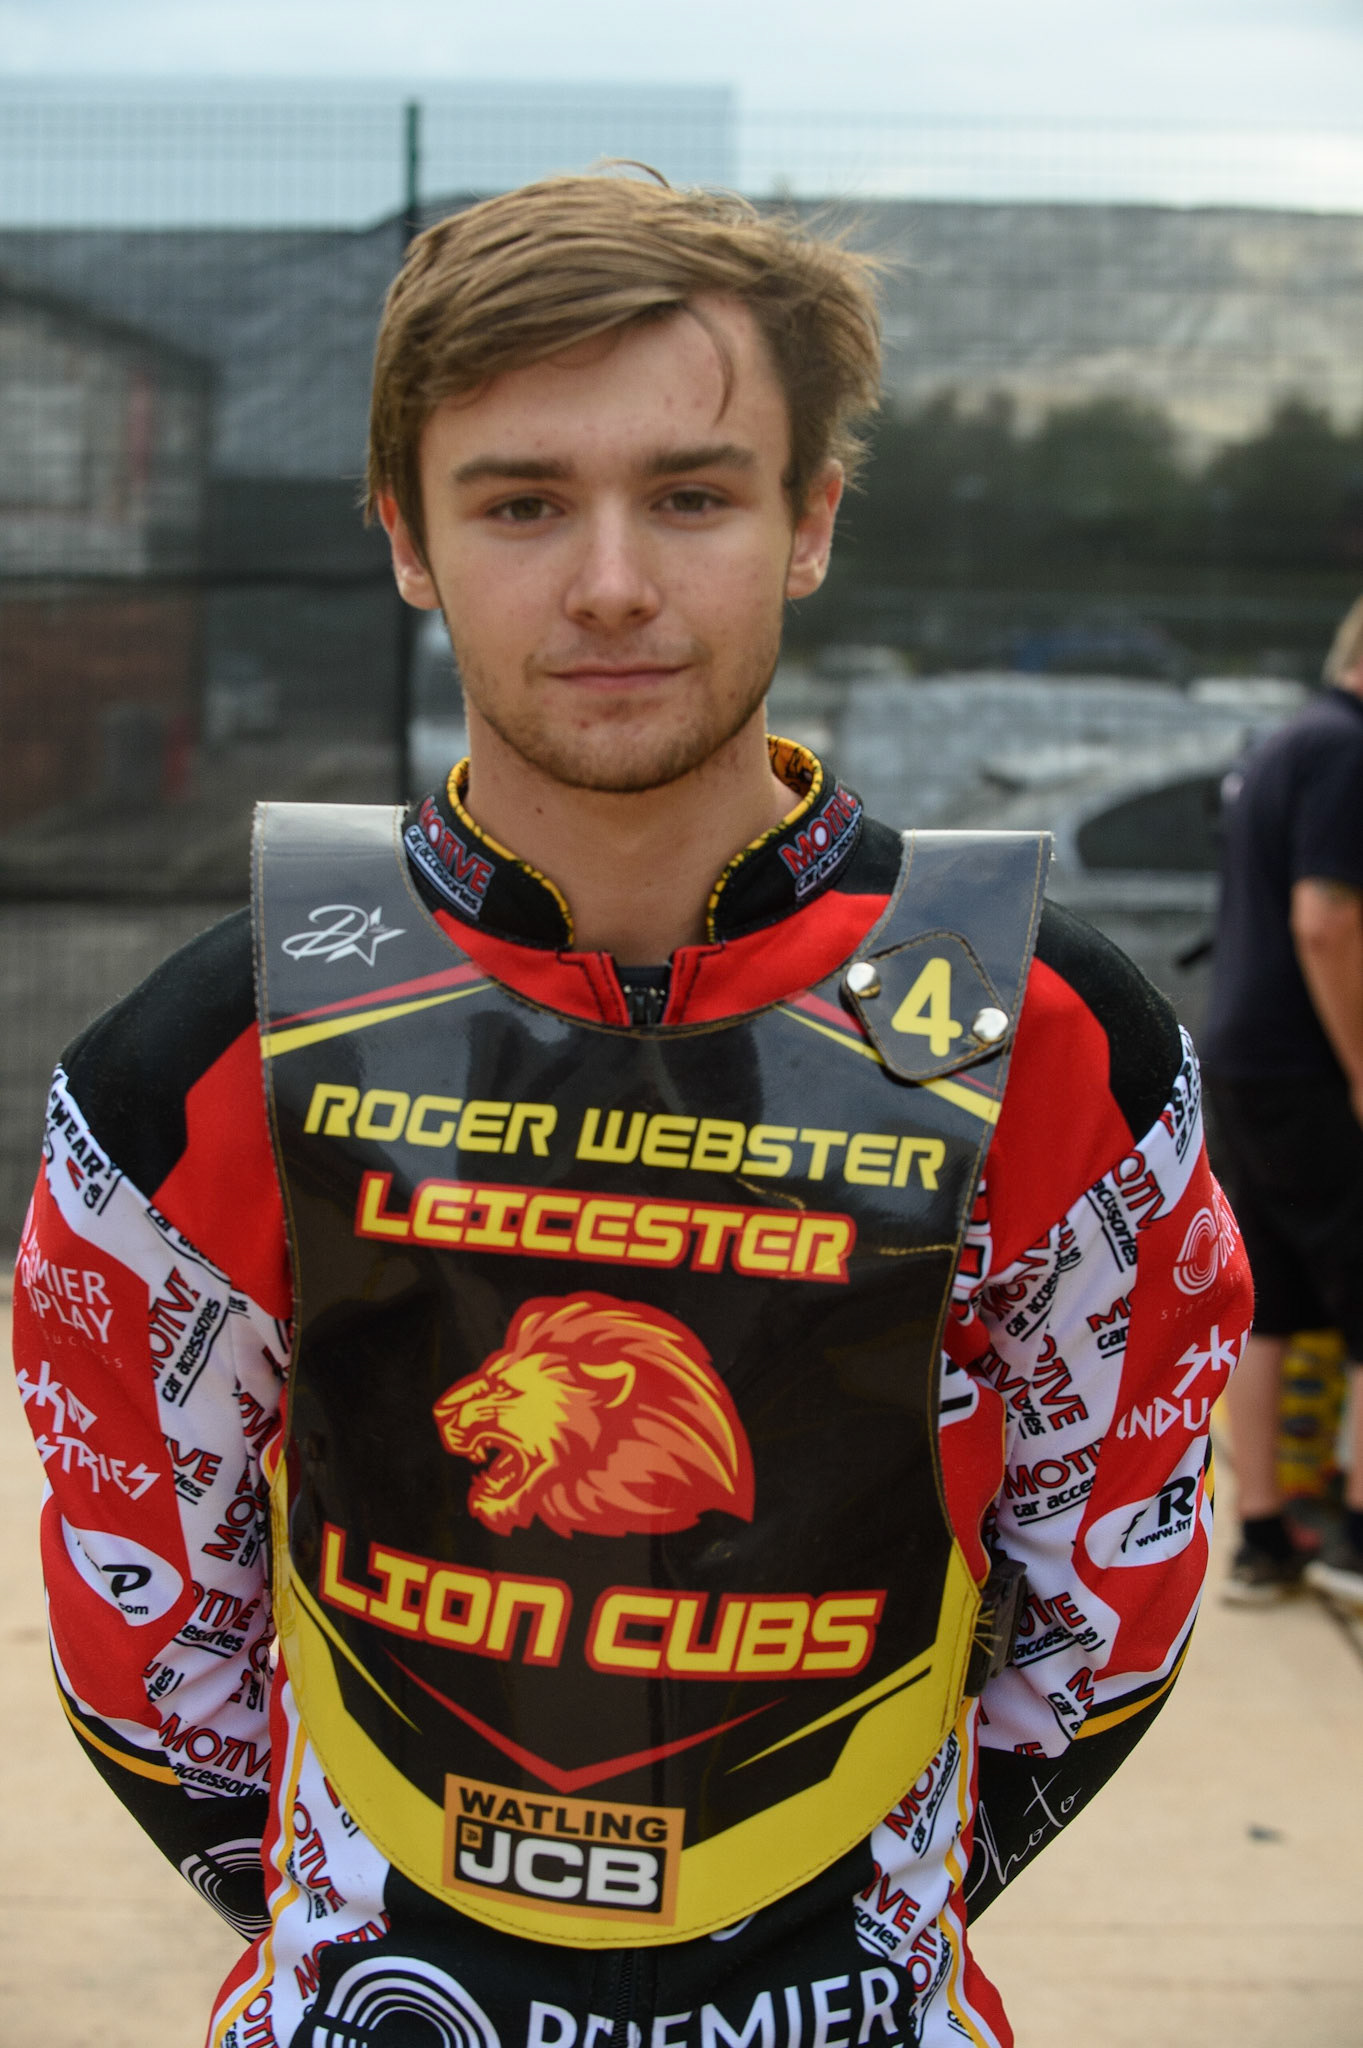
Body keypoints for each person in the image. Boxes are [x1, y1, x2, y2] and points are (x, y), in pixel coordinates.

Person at [12, 175, 1250, 2048]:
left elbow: (1111, 1587)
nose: (608, 582)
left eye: (689, 492)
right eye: (519, 501)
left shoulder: (1059, 1036)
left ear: (809, 519)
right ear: (407, 541)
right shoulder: (202, 1057)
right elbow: (148, 1632)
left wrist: (850, 1911)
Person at [1202, 595, 1363, 1606]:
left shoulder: (1287, 740)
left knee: (1270, 1308)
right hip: (1310, 1065)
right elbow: (1325, 921)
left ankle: (1261, 1532)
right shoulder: (1347, 751)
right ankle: (1354, 1536)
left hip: (1244, 1057)